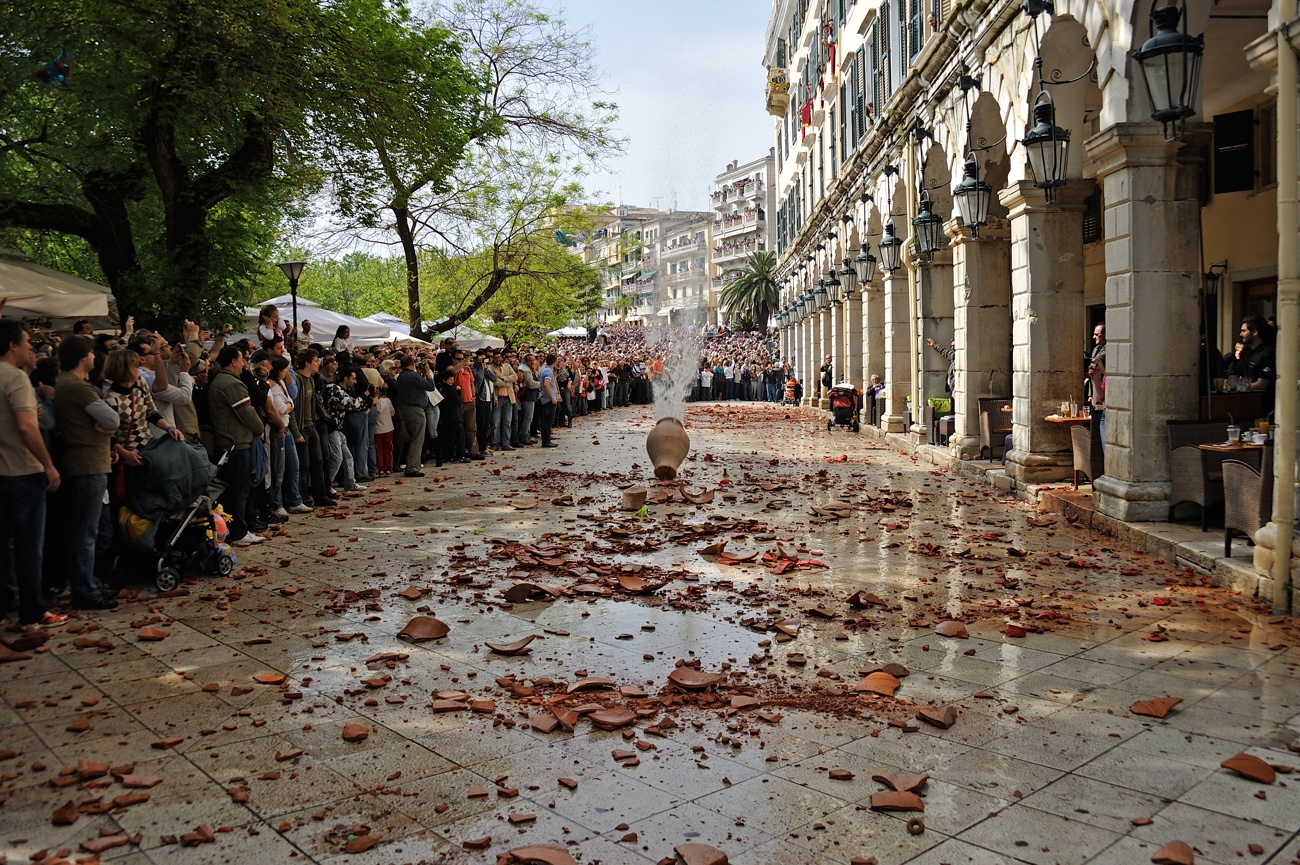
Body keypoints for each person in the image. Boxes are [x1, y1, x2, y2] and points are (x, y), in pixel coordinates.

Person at [0, 319, 64, 626]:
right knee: (29, 548)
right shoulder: (15, 378)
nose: (30, 347)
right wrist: (48, 464)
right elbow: (27, 426)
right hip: (22, 472)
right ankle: (32, 611)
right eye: (26, 342)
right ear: (12, 345)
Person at [53, 335, 120, 610]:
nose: (95, 358)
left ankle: (88, 581)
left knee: (93, 530)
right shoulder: (77, 387)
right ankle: (85, 589)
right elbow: (112, 419)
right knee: (86, 532)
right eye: (92, 353)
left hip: (91, 461)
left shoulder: (69, 384)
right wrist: (106, 428)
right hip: (87, 463)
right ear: (83, 356)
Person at [208, 346, 266, 545]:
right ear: (233, 361)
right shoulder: (231, 384)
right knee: (239, 490)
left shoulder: (224, 381)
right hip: (235, 444)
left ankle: (236, 529)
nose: (244, 364)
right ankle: (239, 532)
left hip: (234, 441)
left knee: (239, 489)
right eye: (242, 360)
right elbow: (247, 412)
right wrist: (259, 428)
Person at [395, 355, 438, 477]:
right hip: (415, 409)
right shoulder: (412, 376)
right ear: (412, 364)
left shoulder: (401, 376)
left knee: (414, 436)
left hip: (405, 408)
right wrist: (428, 374)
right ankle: (412, 467)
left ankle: (415, 465)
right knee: (417, 438)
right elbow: (430, 386)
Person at [1236, 315, 1277, 403]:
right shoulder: (1246, 351)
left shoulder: (1267, 354)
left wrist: (1237, 387)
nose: (1241, 334)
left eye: (1244, 331)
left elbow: (1261, 384)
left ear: (1254, 332)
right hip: (1243, 401)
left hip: (1260, 403)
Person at [538, 353, 559, 448]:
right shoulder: (548, 371)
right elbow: (546, 384)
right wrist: (552, 398)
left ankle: (546, 439)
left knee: (546, 421)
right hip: (548, 400)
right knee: (548, 421)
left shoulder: (544, 370)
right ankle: (546, 441)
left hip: (545, 399)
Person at [374, 385, 394, 474]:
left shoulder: (376, 403)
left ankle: (380, 468)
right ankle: (388, 468)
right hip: (388, 428)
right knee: (388, 449)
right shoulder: (388, 401)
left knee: (378, 450)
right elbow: (392, 412)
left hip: (377, 429)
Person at [1084, 323, 1105, 408]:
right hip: (1095, 391)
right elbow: (1091, 372)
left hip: (1103, 390)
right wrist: (1090, 394)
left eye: (1097, 335)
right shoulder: (1095, 349)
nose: (1093, 337)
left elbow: (1094, 362)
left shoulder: (1108, 349)